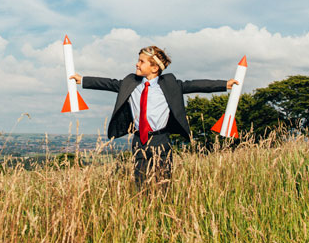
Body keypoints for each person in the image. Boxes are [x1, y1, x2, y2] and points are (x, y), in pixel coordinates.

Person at [71, 46, 238, 188]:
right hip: (139, 140)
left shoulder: (170, 84)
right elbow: (108, 83)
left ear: (154, 68)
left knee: (162, 182)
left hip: (161, 139)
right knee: (141, 182)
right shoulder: (130, 83)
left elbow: (195, 84)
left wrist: (224, 84)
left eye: (141, 61)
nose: (137, 63)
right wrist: (83, 79)